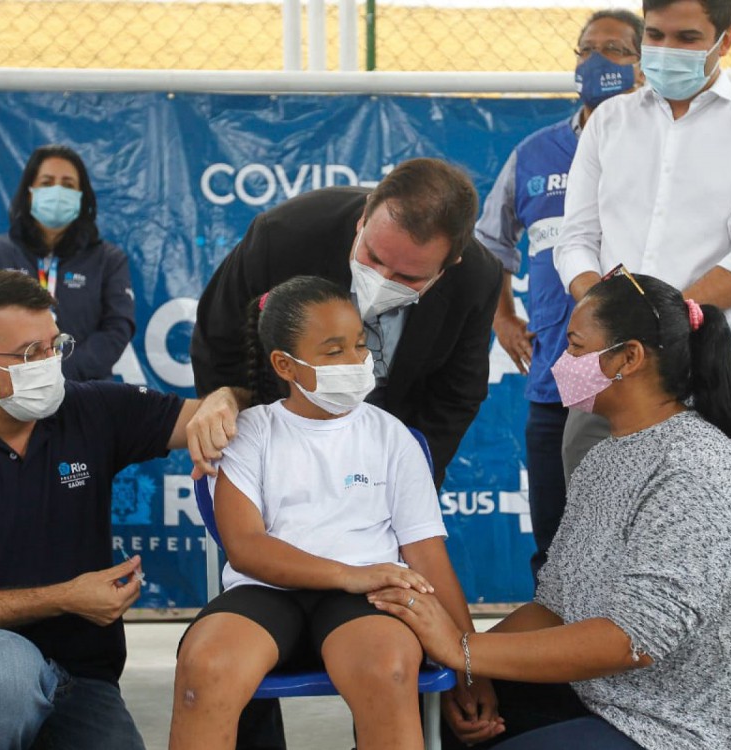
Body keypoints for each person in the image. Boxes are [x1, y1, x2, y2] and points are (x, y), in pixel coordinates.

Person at [370, 270, 731, 750]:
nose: (560, 362)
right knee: (430, 717)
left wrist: (465, 649)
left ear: (628, 358)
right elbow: (554, 606)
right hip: (609, 700)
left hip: (683, 729)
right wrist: (465, 671)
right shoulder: (607, 456)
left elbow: (633, 639)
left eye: (575, 346)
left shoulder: (694, 467)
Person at [0, 270, 245, 750]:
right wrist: (64, 597)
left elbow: (212, 413)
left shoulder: (89, 409)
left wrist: (224, 399)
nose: (50, 363)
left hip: (79, 678)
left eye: (54, 345)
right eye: (29, 354)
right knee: (5, 672)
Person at [170, 276, 500, 749]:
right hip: (267, 591)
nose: (356, 361)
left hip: (367, 600)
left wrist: (471, 663)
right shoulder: (250, 433)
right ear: (285, 364)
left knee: (387, 669)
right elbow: (246, 550)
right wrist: (350, 574)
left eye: (360, 346)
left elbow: (427, 558)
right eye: (333, 351)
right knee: (207, 668)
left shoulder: (392, 436)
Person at [553, 0, 731, 542]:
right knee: (595, 547)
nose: (667, 50)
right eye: (657, 35)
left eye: (688, 37)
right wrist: (613, 322)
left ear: (726, 39)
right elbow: (575, 240)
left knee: (717, 550)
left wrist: (660, 329)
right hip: (605, 369)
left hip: (707, 372)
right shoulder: (610, 123)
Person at [191, 157, 501, 489]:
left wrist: (405, 480)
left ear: (449, 264)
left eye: (407, 277)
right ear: (364, 217)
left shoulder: (476, 279)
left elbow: (455, 396)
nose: (381, 280)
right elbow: (219, 342)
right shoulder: (284, 236)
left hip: (386, 457)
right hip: (271, 447)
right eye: (373, 257)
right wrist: (252, 448)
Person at [475, 8, 642, 581]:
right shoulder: (534, 154)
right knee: (557, 546)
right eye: (587, 49)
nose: (598, 61)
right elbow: (491, 241)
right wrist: (502, 316)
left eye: (616, 50)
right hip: (557, 378)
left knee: (634, 543)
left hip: (639, 380)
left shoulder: (660, 149)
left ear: (644, 66)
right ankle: (559, 662)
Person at [0, 144, 134, 381]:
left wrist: (60, 372)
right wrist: (16, 373)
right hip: (8, 388)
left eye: (68, 185)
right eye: (47, 183)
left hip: (82, 392)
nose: (57, 192)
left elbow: (117, 330)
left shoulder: (109, 260)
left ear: (81, 197)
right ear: (30, 193)